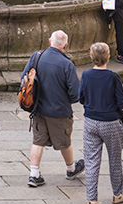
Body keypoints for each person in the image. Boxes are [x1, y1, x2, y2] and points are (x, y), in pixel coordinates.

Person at [21, 30, 85, 187]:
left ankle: (34, 174)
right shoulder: (67, 65)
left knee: (38, 141)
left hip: (38, 108)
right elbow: (74, 94)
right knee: (64, 141)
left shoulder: (36, 56)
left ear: (50, 41)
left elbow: (24, 77)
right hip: (59, 111)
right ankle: (71, 169)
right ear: (66, 45)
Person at [79, 40, 123, 204]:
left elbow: (81, 98)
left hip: (91, 122)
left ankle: (91, 200)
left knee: (92, 161)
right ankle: (117, 194)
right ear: (108, 57)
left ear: (91, 57)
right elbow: (122, 103)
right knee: (115, 160)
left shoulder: (86, 75)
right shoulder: (113, 77)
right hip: (110, 123)